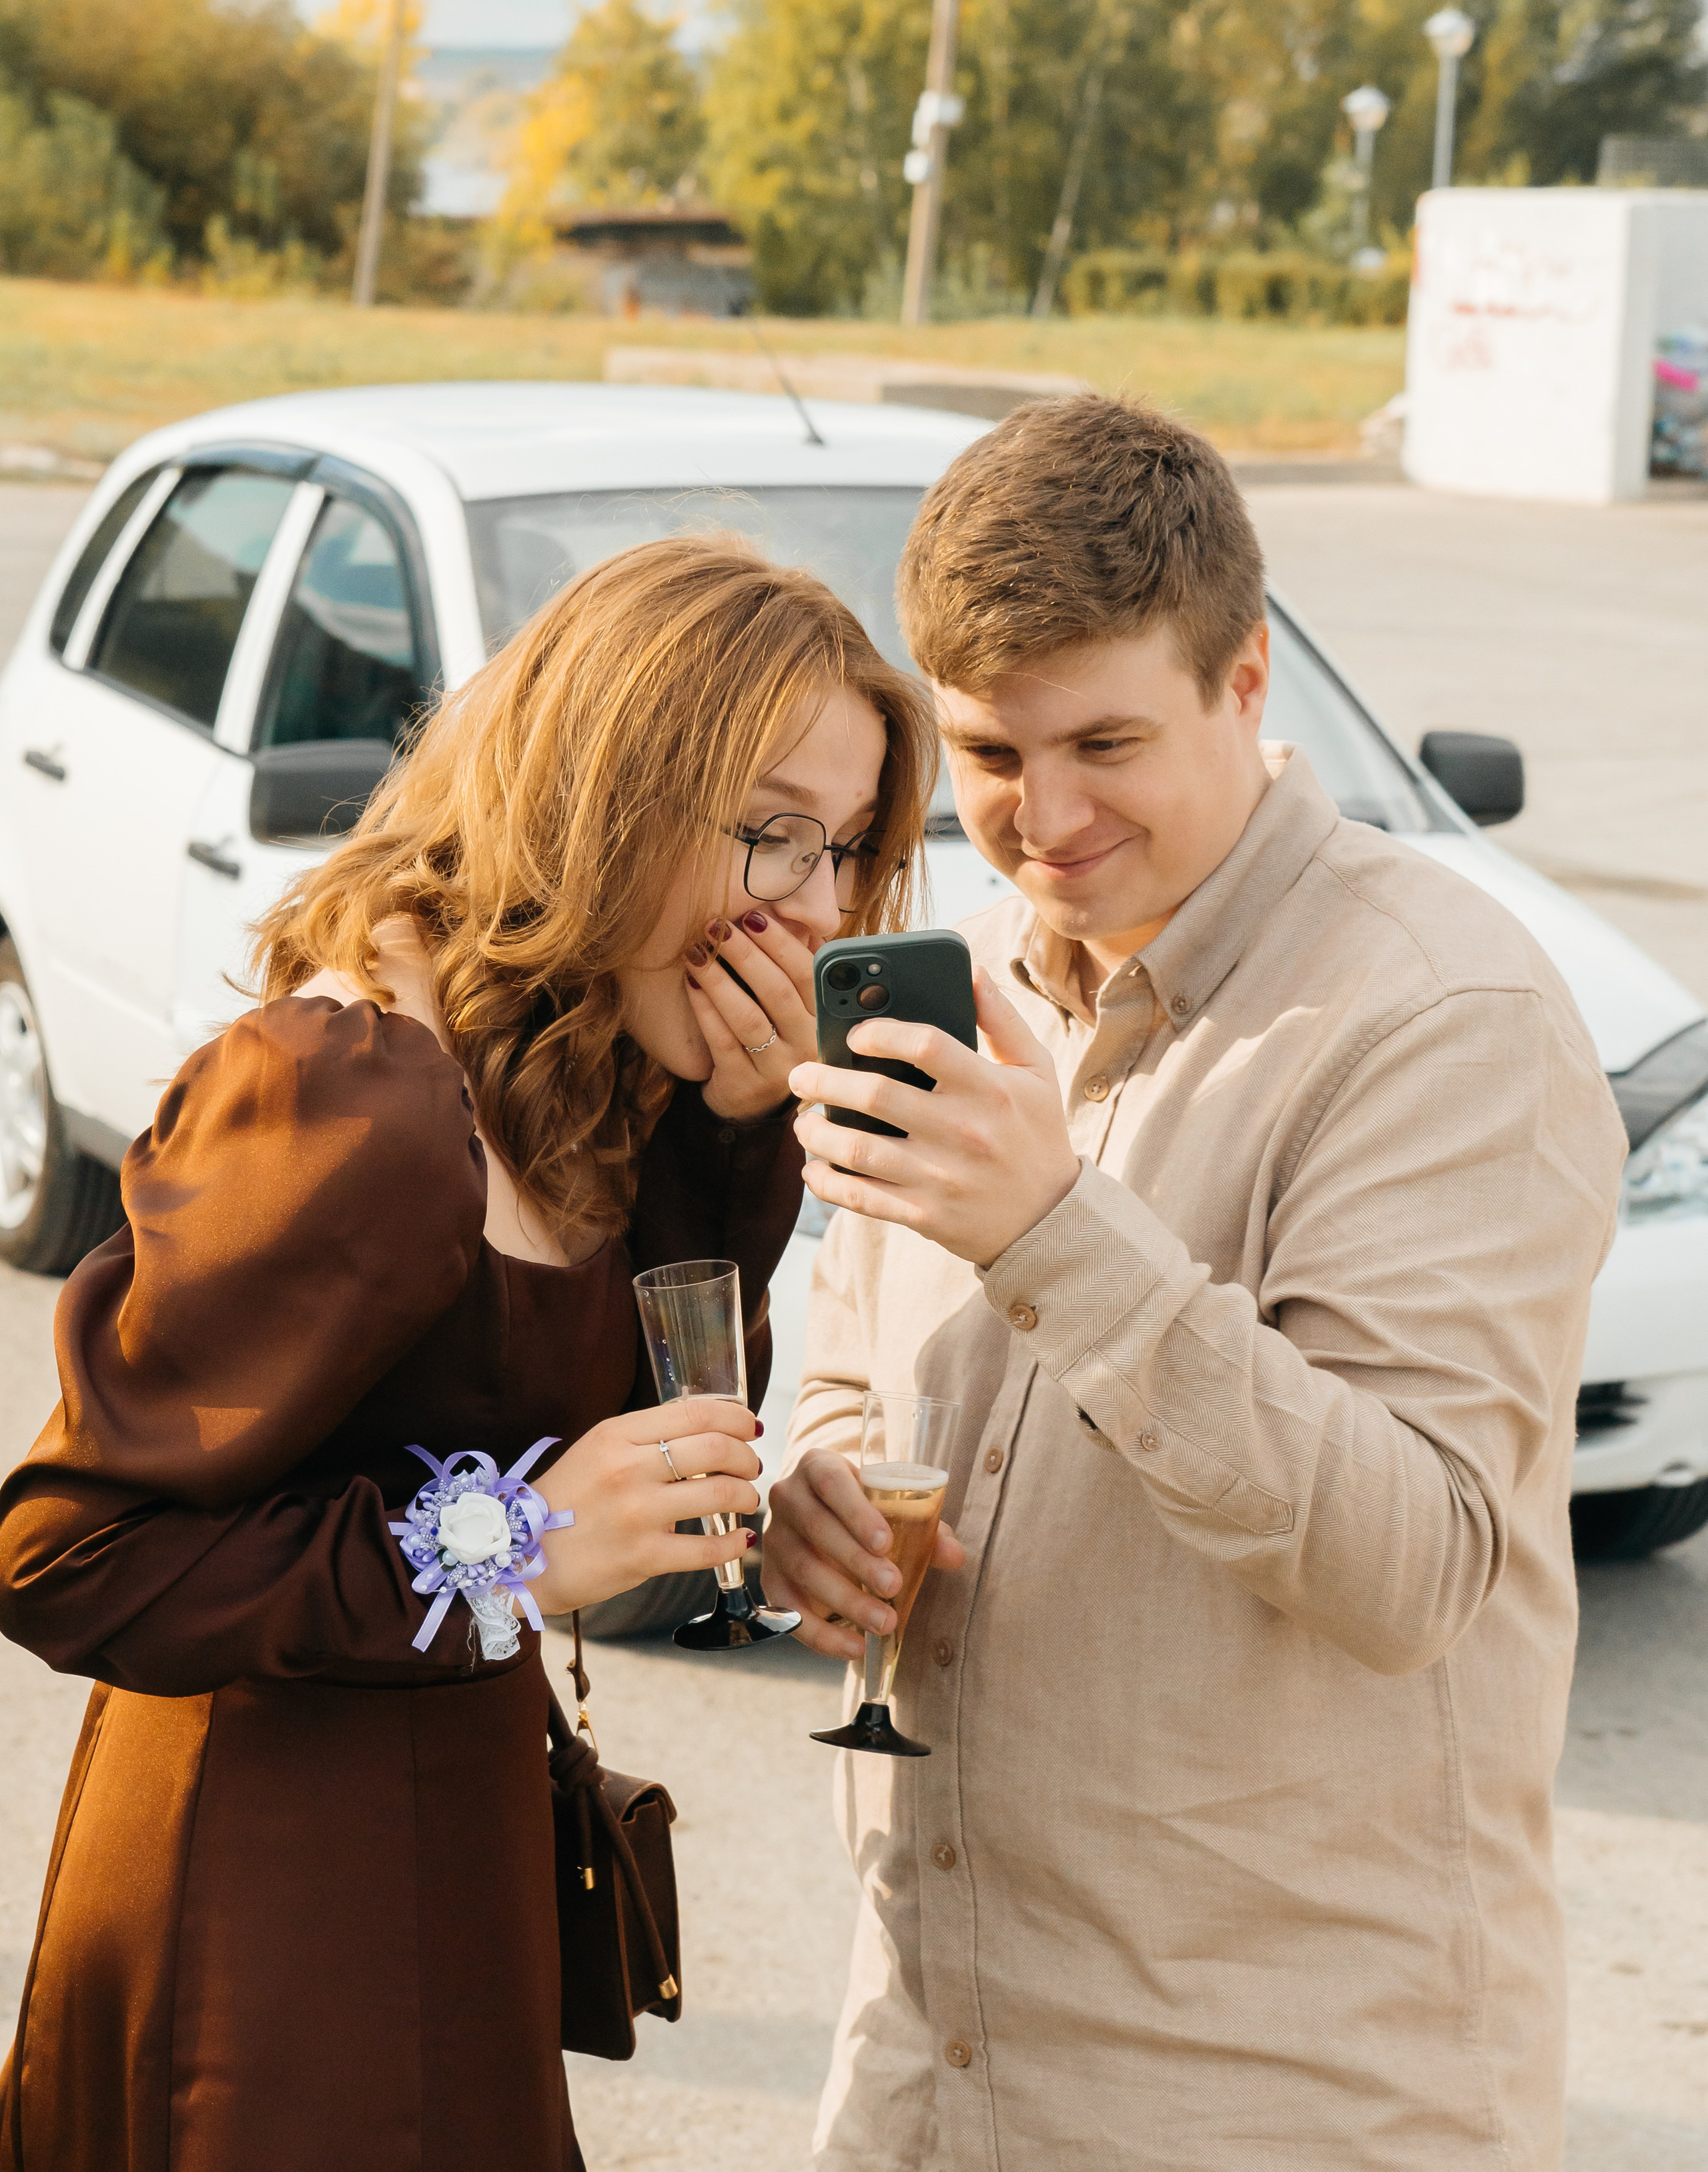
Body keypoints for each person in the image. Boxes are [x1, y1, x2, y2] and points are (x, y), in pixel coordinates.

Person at [763, 397, 1628, 2171]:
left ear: (1247, 686)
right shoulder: (980, 974)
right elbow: (853, 1362)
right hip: (927, 2075)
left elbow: (1408, 1562)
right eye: (996, 754)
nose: (1044, 819)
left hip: (1270, 2109)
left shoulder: (1443, 1018)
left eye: (1106, 741)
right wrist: (824, 1498)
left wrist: (1050, 1231)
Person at [0, 532, 935, 2172]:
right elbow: (67, 1551)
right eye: (767, 832)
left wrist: (730, 1130)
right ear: (606, 793)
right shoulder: (356, 1093)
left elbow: (663, 1444)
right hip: (265, 1934)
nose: (816, 909)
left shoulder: (599, 1059)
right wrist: (516, 1538)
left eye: (846, 847)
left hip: (454, 1860)